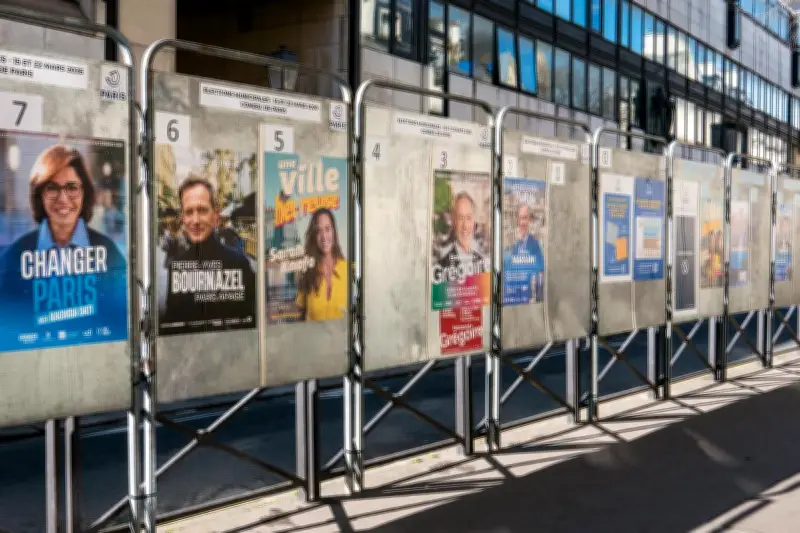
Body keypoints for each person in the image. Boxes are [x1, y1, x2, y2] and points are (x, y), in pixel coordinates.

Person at [0, 144, 126, 336]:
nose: (63, 198)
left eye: (72, 187)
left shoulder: (110, 256)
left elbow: (118, 323)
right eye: (52, 188)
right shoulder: (13, 259)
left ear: (85, 193)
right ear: (40, 195)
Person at [160, 177, 256, 331]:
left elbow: (251, 324)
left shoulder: (239, 264)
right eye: (189, 212)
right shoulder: (177, 267)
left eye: (202, 210)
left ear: (215, 215)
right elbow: (172, 324)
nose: (195, 220)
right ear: (183, 218)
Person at [295, 207, 347, 321]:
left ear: (334, 231)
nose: (324, 236)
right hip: (313, 338)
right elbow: (299, 318)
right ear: (314, 236)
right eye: (319, 231)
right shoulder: (307, 271)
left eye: (327, 229)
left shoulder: (348, 270)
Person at [437, 191, 489, 274]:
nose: (465, 226)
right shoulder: (442, 266)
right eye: (460, 218)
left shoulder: (482, 263)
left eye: (468, 218)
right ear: (454, 221)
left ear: (473, 222)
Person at [503, 203, 545, 304]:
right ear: (518, 220)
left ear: (529, 220)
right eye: (521, 218)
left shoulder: (535, 244)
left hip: (529, 299)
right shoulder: (514, 245)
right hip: (515, 297)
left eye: (525, 218)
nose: (522, 222)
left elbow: (541, 275)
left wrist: (537, 299)